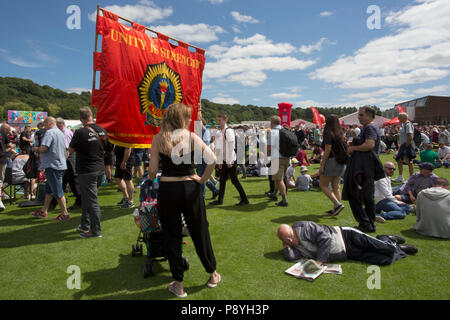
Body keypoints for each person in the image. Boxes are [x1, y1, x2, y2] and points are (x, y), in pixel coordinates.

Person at [148, 103, 221, 298]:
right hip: (190, 188)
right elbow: (212, 159)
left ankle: (179, 285)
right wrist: (203, 179)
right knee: (199, 231)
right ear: (180, 119)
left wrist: (150, 175)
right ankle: (213, 274)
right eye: (187, 117)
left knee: (171, 235)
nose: (190, 120)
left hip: (168, 189)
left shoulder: (157, 139)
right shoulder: (190, 137)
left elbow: (153, 171)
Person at [277, 222, 417, 266]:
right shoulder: (292, 245)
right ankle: (394, 246)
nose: (290, 241)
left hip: (346, 236)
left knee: (385, 249)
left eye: (289, 237)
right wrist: (286, 247)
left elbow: (325, 238)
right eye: (285, 240)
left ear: (292, 229)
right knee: (383, 260)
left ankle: (389, 241)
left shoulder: (304, 227)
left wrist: (320, 261)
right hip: (347, 252)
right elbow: (291, 257)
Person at [343, 107, 384, 233]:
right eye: (359, 115)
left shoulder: (369, 128)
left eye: (361, 115)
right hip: (366, 167)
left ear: (370, 115)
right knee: (367, 197)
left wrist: (353, 148)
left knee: (354, 194)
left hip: (364, 168)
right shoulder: (369, 127)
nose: (359, 117)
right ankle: (368, 224)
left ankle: (365, 222)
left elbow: (369, 145)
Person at [68, 107, 108, 238]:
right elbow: (108, 148)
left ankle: (96, 231)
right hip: (99, 168)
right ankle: (85, 224)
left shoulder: (80, 132)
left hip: (87, 170)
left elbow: (71, 149)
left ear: (81, 119)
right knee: (87, 198)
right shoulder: (102, 130)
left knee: (91, 201)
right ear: (91, 116)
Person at [30, 117, 70, 220]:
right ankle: (44, 211)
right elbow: (66, 149)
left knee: (57, 191)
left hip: (53, 165)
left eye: (44, 124)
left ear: (48, 123)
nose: (43, 126)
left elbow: (44, 148)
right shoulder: (60, 133)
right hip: (60, 164)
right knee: (49, 190)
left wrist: (35, 149)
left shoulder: (49, 133)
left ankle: (65, 214)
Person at [210, 114, 249, 206]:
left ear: (225, 121)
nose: (218, 122)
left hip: (230, 159)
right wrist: (220, 161)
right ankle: (220, 200)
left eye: (220, 120)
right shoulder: (221, 131)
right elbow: (220, 147)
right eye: (218, 120)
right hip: (224, 159)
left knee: (234, 180)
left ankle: (245, 199)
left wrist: (228, 161)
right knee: (222, 180)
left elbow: (231, 147)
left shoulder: (229, 131)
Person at [319, 114, 346, 216]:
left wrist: (322, 163)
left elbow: (328, 149)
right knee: (336, 186)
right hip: (341, 162)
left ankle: (337, 204)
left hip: (331, 161)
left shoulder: (328, 133)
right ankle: (336, 208)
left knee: (323, 185)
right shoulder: (340, 133)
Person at [56, 117, 81, 210]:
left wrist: (63, 161)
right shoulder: (64, 132)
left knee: (72, 180)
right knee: (65, 180)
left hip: (68, 159)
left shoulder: (65, 133)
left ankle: (79, 200)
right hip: (67, 159)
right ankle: (55, 200)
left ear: (59, 124)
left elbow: (67, 149)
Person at [267, 116, 290, 207]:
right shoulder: (285, 130)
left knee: (279, 179)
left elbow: (269, 146)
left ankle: (284, 200)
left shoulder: (273, 132)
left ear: (272, 122)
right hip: (286, 157)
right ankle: (274, 193)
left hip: (277, 158)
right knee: (277, 178)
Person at [392, 113, 415, 183]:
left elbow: (410, 137)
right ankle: (400, 177)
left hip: (407, 146)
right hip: (403, 145)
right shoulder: (404, 124)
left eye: (399, 117)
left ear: (404, 117)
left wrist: (405, 147)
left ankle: (411, 179)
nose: (398, 119)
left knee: (409, 162)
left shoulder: (408, 124)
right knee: (399, 160)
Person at [0, 124, 17, 211]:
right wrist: (11, 147)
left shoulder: (4, 135)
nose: (9, 131)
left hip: (2, 159)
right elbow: (10, 145)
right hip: (2, 160)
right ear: (5, 129)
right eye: (8, 130)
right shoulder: (3, 134)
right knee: (0, 180)